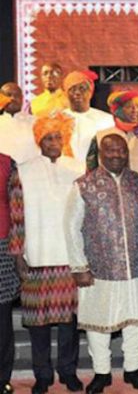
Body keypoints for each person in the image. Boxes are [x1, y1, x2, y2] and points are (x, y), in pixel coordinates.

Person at [66, 134, 138, 393]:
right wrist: (79, 267)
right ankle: (102, 373)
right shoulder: (84, 185)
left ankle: (132, 369)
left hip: (136, 266)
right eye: (110, 150)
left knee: (136, 322)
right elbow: (71, 228)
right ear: (100, 153)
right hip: (97, 269)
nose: (116, 154)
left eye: (121, 150)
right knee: (98, 323)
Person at [10, 113, 84, 394]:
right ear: (39, 140)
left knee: (69, 324)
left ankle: (68, 371)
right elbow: (17, 217)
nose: (54, 142)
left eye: (58, 137)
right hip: (35, 258)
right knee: (38, 326)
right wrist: (18, 255)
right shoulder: (23, 171)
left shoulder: (76, 168)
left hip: (70, 258)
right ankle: (42, 374)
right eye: (49, 137)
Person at [86, 90, 138, 175]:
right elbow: (91, 172)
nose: (135, 110)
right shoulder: (101, 136)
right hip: (111, 187)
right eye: (129, 107)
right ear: (117, 111)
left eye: (137, 106)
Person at [0, 146, 20, 394]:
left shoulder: (7, 163)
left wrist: (16, 249)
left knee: (2, 320)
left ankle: (1, 376)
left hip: (1, 245)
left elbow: (17, 208)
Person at [62, 71, 113, 163]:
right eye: (72, 89)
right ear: (65, 93)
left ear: (91, 92)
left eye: (82, 88)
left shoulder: (107, 120)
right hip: (65, 172)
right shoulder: (56, 119)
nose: (77, 92)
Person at [0, 84, 39, 165]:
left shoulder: (36, 122)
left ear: (22, 98)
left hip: (30, 172)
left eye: (16, 95)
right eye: (8, 95)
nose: (12, 98)